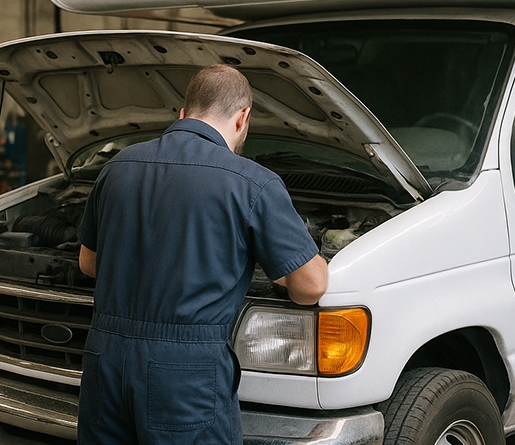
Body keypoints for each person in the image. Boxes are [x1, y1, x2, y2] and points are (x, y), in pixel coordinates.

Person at [75, 64, 328, 444]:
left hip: (104, 361)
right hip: (185, 372)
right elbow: (310, 287)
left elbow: (87, 262)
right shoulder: (252, 182)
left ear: (182, 113)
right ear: (243, 117)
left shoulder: (117, 167)